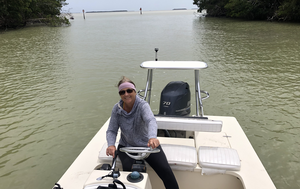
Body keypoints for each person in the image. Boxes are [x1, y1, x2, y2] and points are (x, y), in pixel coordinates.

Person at [106, 76, 179, 189]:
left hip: (147, 145)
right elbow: (111, 129)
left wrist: (152, 137)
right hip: (126, 146)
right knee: (128, 176)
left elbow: (151, 121)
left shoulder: (142, 106)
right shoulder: (117, 109)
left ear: (134, 91)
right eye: (122, 92)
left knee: (166, 171)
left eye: (129, 90)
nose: (126, 94)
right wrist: (111, 144)